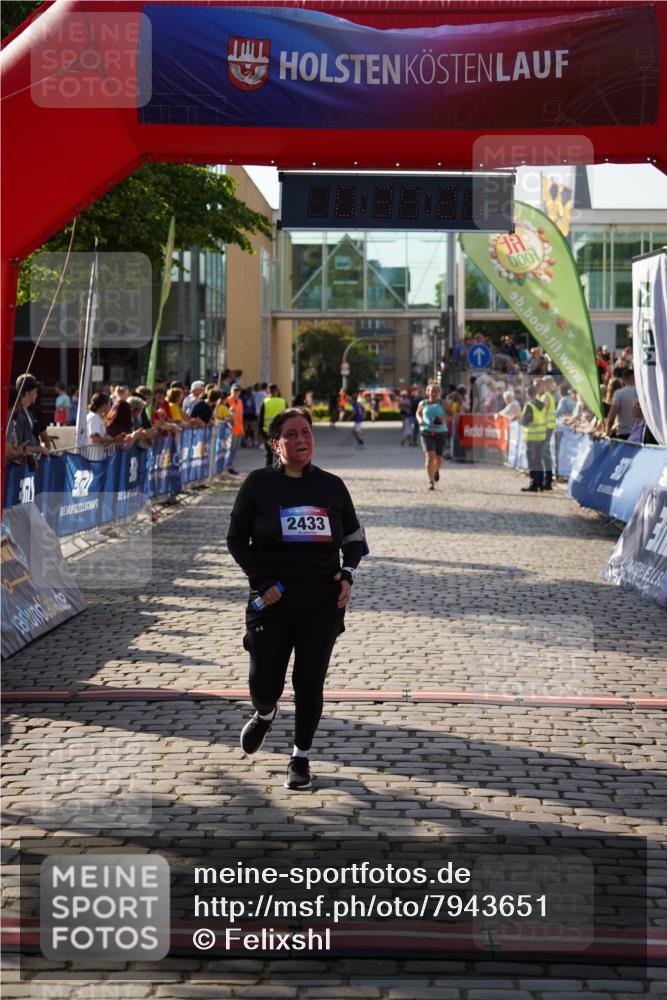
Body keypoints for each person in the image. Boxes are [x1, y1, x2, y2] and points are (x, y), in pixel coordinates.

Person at [227, 407, 363, 790]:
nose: (301, 440)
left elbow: (354, 540)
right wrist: (261, 580)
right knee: (263, 683)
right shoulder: (257, 485)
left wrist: (347, 575)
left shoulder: (332, 486)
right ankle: (265, 712)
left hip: (321, 602)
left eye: (306, 432)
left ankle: (300, 756)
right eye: (291, 434)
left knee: (309, 682)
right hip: (271, 600)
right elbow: (236, 540)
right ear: (276, 443)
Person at [7, 375, 50, 466]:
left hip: (31, 466)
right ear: (28, 392)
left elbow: (41, 438)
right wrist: (39, 449)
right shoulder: (14, 415)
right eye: (35, 391)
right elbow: (16, 447)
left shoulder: (33, 412)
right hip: (18, 467)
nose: (37, 394)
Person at [416, 382, 447, 490]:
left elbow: (451, 414)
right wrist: (420, 420)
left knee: (439, 458)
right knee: (429, 457)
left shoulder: (443, 403)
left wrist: (443, 419)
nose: (432, 393)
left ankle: (436, 470)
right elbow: (418, 413)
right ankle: (431, 481)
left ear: (438, 393)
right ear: (426, 392)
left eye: (435, 391)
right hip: (426, 432)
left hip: (441, 432)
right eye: (430, 391)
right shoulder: (422, 403)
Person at [520, 383, 547, 492]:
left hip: (531, 438)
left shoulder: (529, 406)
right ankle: (540, 483)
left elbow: (525, 422)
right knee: (538, 461)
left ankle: (533, 484)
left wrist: (521, 418)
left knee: (532, 461)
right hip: (541, 436)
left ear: (527, 394)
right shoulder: (542, 404)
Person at [259, 384, 287, 467]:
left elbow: (260, 419)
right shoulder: (283, 402)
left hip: (268, 434)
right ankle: (281, 473)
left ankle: (268, 474)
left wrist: (262, 433)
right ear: (277, 391)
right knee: (281, 454)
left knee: (269, 455)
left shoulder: (265, 402)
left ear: (268, 391)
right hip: (281, 433)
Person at [605, 368, 636, 440]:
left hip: (624, 434)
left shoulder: (619, 393)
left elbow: (611, 416)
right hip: (639, 434)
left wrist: (607, 432)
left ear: (623, 380)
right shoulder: (642, 392)